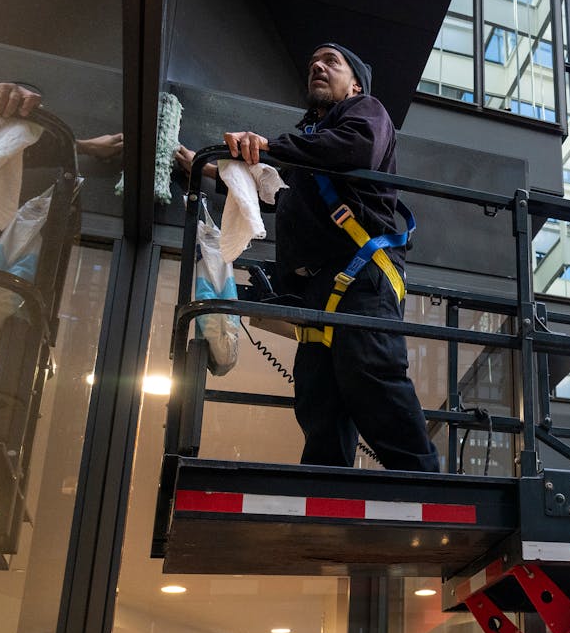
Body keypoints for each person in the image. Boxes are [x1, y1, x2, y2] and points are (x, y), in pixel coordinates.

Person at [185, 44, 440, 471]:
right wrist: (215, 171)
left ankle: (427, 487)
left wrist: (269, 147)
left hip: (362, 276)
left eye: (331, 62)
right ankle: (325, 489)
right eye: (312, 64)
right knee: (319, 395)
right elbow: (279, 195)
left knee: (371, 376)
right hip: (322, 288)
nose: (317, 67)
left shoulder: (366, 112)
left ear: (355, 83)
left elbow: (355, 150)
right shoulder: (308, 144)